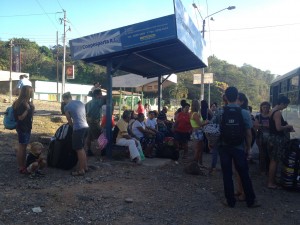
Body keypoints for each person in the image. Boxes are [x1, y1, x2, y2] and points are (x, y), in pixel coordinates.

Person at [218, 86, 259, 208]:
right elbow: (248, 133)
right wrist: (249, 148)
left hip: (224, 147)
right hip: (239, 148)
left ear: (225, 97)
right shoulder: (244, 112)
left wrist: (212, 144)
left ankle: (230, 201)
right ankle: (251, 201)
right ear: (237, 97)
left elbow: (215, 130)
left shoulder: (220, 112)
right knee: (244, 173)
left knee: (227, 175)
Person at [268, 96, 294, 189]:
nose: (286, 107)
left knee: (273, 160)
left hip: (272, 138)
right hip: (277, 139)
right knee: (274, 161)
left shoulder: (272, 110)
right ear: (282, 103)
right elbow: (278, 128)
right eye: (286, 105)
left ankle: (272, 180)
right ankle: (271, 183)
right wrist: (288, 126)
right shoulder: (278, 113)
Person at [62, 92, 89, 176]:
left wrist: (72, 127)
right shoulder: (80, 102)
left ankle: (81, 170)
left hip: (78, 128)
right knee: (82, 148)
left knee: (78, 149)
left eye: (64, 100)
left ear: (65, 99)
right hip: (86, 127)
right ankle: (85, 167)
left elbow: (69, 120)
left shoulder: (67, 106)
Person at [13, 85, 35, 174]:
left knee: (24, 146)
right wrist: (28, 109)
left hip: (26, 127)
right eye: (31, 91)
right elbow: (20, 117)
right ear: (28, 93)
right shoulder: (21, 104)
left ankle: (23, 165)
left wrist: (31, 107)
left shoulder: (26, 102)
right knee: (22, 147)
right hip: (23, 127)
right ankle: (21, 166)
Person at [85, 89, 104, 156]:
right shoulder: (98, 102)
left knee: (89, 136)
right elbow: (105, 99)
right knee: (100, 136)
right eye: (100, 94)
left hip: (89, 121)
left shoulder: (89, 102)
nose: (101, 95)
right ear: (97, 95)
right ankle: (100, 152)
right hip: (94, 122)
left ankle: (89, 150)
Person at [254, 101, 271, 174]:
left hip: (270, 138)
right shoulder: (258, 116)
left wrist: (261, 125)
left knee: (269, 154)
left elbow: (258, 125)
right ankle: (261, 169)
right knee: (262, 154)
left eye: (267, 107)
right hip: (260, 137)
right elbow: (256, 125)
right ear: (261, 108)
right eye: (264, 107)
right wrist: (266, 125)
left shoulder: (271, 115)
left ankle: (268, 169)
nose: (265, 109)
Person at [190, 99, 208, 165]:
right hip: (197, 132)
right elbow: (200, 124)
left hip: (196, 132)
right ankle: (195, 164)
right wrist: (206, 122)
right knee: (198, 150)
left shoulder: (193, 113)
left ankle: (199, 164)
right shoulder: (195, 114)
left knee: (199, 149)